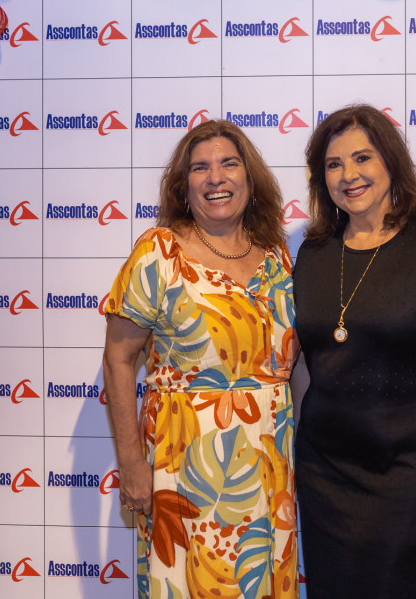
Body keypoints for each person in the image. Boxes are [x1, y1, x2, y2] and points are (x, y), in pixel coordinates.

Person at [293, 104, 416, 598]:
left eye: (362, 157)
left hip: (412, 481)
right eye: (334, 164)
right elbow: (304, 366)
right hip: (326, 479)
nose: (349, 175)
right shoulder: (312, 255)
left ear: (391, 162)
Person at [102, 120, 299, 599]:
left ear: (250, 179)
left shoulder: (277, 256)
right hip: (184, 469)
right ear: (183, 187)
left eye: (229, 164)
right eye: (200, 168)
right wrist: (131, 464)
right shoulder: (159, 253)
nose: (216, 177)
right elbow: (118, 359)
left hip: (271, 467)